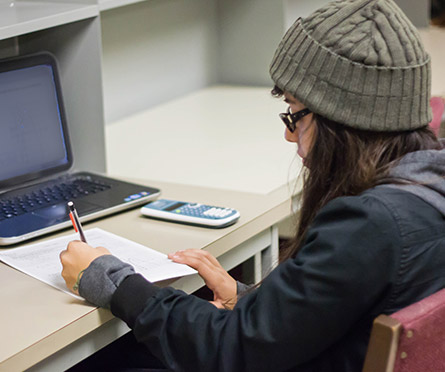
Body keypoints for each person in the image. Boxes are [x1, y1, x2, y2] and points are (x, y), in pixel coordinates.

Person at [60, 0, 445, 370]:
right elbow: (338, 315)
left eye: (293, 113)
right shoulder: (425, 192)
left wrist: (114, 280)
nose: (289, 137)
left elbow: (228, 352)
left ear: (340, 120)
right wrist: (252, 303)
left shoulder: (368, 225)